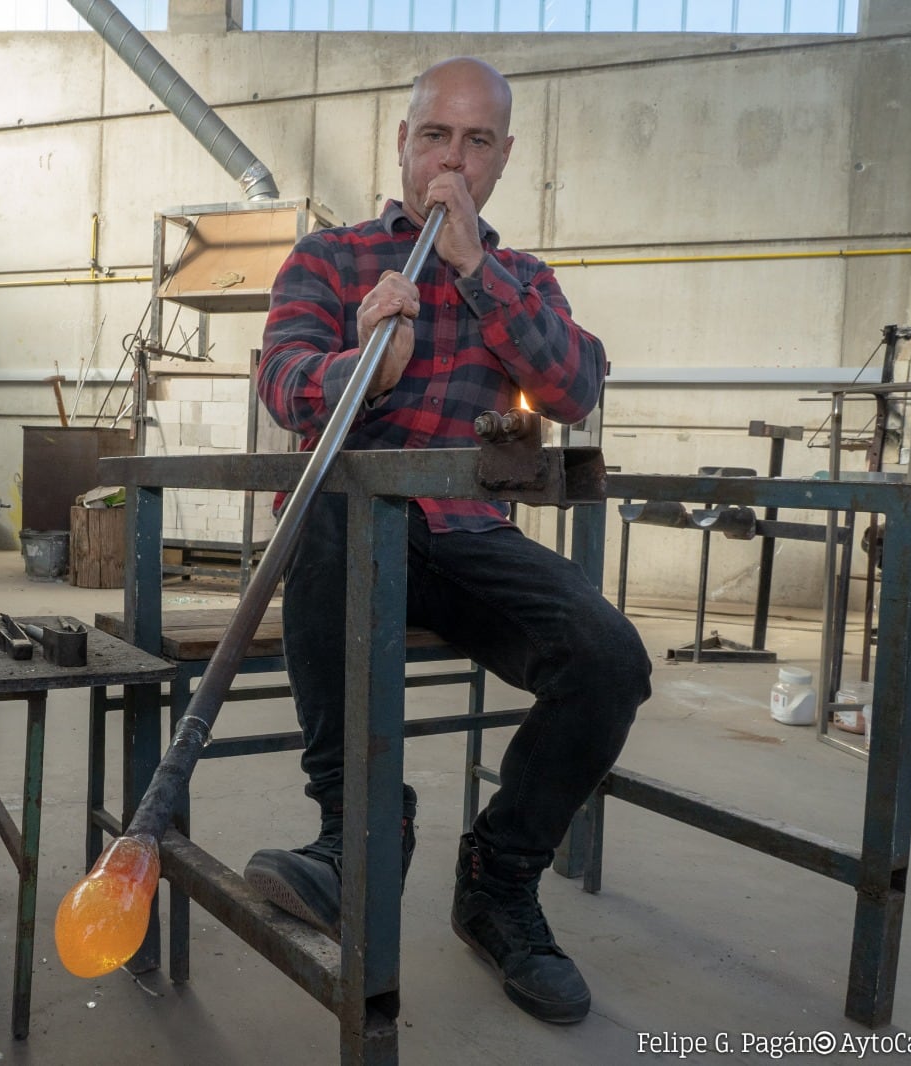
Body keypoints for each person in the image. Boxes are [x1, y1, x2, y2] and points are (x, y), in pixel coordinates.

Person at [246, 56, 652, 1026]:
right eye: (436, 136)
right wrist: (363, 367)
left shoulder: (523, 279)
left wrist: (476, 276)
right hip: (346, 533)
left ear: (504, 159)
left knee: (607, 659)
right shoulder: (329, 256)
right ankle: (360, 839)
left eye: (477, 142)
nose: (453, 162)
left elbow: (572, 388)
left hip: (465, 536)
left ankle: (498, 882)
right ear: (403, 144)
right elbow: (284, 378)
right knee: (337, 502)